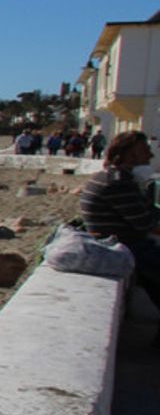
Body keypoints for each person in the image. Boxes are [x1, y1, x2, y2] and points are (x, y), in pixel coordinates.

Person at [80, 131, 160, 343]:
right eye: (145, 150)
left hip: (121, 242)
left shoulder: (114, 177)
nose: (151, 155)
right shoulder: (119, 182)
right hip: (125, 246)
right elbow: (145, 223)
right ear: (131, 154)